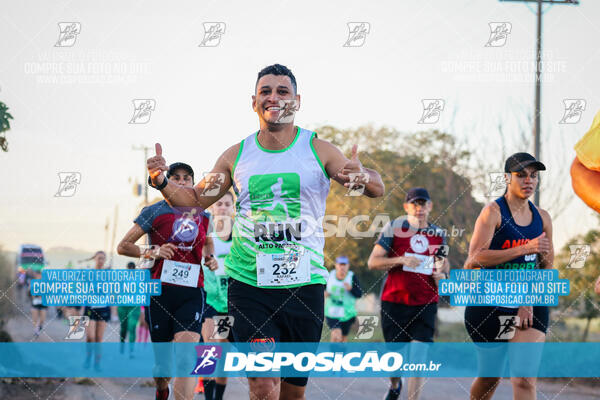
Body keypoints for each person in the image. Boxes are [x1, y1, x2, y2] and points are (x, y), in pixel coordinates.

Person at [146, 63, 384, 399]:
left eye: (283, 91)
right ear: (254, 101)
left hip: (305, 284)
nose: (274, 98)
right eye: (266, 91)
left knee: (292, 392)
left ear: (297, 101)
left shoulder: (318, 149)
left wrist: (362, 176)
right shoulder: (236, 155)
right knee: (262, 384)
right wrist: (161, 181)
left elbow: (376, 187)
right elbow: (195, 200)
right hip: (250, 285)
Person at [117, 162, 217, 400]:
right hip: (159, 294)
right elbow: (123, 246)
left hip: (192, 293)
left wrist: (210, 258)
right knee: (163, 369)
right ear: (167, 183)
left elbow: (208, 242)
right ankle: (162, 389)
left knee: (186, 358)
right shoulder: (154, 211)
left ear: (193, 184)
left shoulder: (204, 214)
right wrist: (153, 251)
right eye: (176, 178)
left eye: (187, 178)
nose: (182, 182)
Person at [463, 152, 553, 400]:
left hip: (529, 307)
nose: (528, 181)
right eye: (521, 175)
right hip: (489, 305)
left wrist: (528, 301)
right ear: (506, 178)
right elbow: (473, 260)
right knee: (490, 378)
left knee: (524, 380)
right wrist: (525, 248)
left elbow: (546, 268)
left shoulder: (543, 218)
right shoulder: (492, 213)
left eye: (534, 176)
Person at [367, 187, 449, 400]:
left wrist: (441, 275)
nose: (419, 208)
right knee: (394, 360)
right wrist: (400, 260)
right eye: (414, 203)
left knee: (418, 358)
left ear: (430, 206)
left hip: (426, 302)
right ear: (406, 207)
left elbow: (443, 265)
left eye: (423, 203)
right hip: (395, 302)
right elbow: (373, 262)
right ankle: (395, 385)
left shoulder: (439, 234)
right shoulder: (394, 228)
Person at [199, 191, 235, 400]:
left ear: (232, 208)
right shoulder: (206, 234)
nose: (222, 207)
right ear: (212, 208)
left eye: (226, 204)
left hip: (231, 302)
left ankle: (217, 398)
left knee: (223, 356)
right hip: (209, 298)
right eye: (218, 204)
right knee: (211, 348)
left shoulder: (239, 236)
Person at [83, 251, 111, 371]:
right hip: (90, 308)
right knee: (90, 337)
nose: (101, 261)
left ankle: (97, 363)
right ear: (94, 259)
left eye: (103, 259)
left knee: (99, 338)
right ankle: (88, 357)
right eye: (99, 258)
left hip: (103, 308)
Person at [324, 256, 363, 342]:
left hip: (347, 313)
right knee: (336, 333)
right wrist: (325, 294)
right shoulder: (329, 275)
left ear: (348, 266)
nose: (342, 267)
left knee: (343, 337)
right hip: (332, 311)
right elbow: (322, 290)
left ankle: (341, 354)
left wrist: (351, 289)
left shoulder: (352, 277)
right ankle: (333, 354)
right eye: (340, 264)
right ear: (336, 265)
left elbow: (359, 294)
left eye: (344, 264)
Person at [117, 261, 141, 358]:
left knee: (132, 327)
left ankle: (131, 350)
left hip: (134, 307)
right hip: (123, 306)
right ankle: (122, 344)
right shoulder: (122, 278)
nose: (131, 269)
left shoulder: (139, 279)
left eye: (132, 267)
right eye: (129, 267)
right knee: (123, 328)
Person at [30, 269, 47, 338]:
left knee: (42, 319)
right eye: (37, 275)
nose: (38, 276)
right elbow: (31, 293)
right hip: (35, 302)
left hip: (43, 303)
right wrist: (35, 297)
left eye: (40, 275)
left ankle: (40, 326)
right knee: (35, 318)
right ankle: (36, 331)